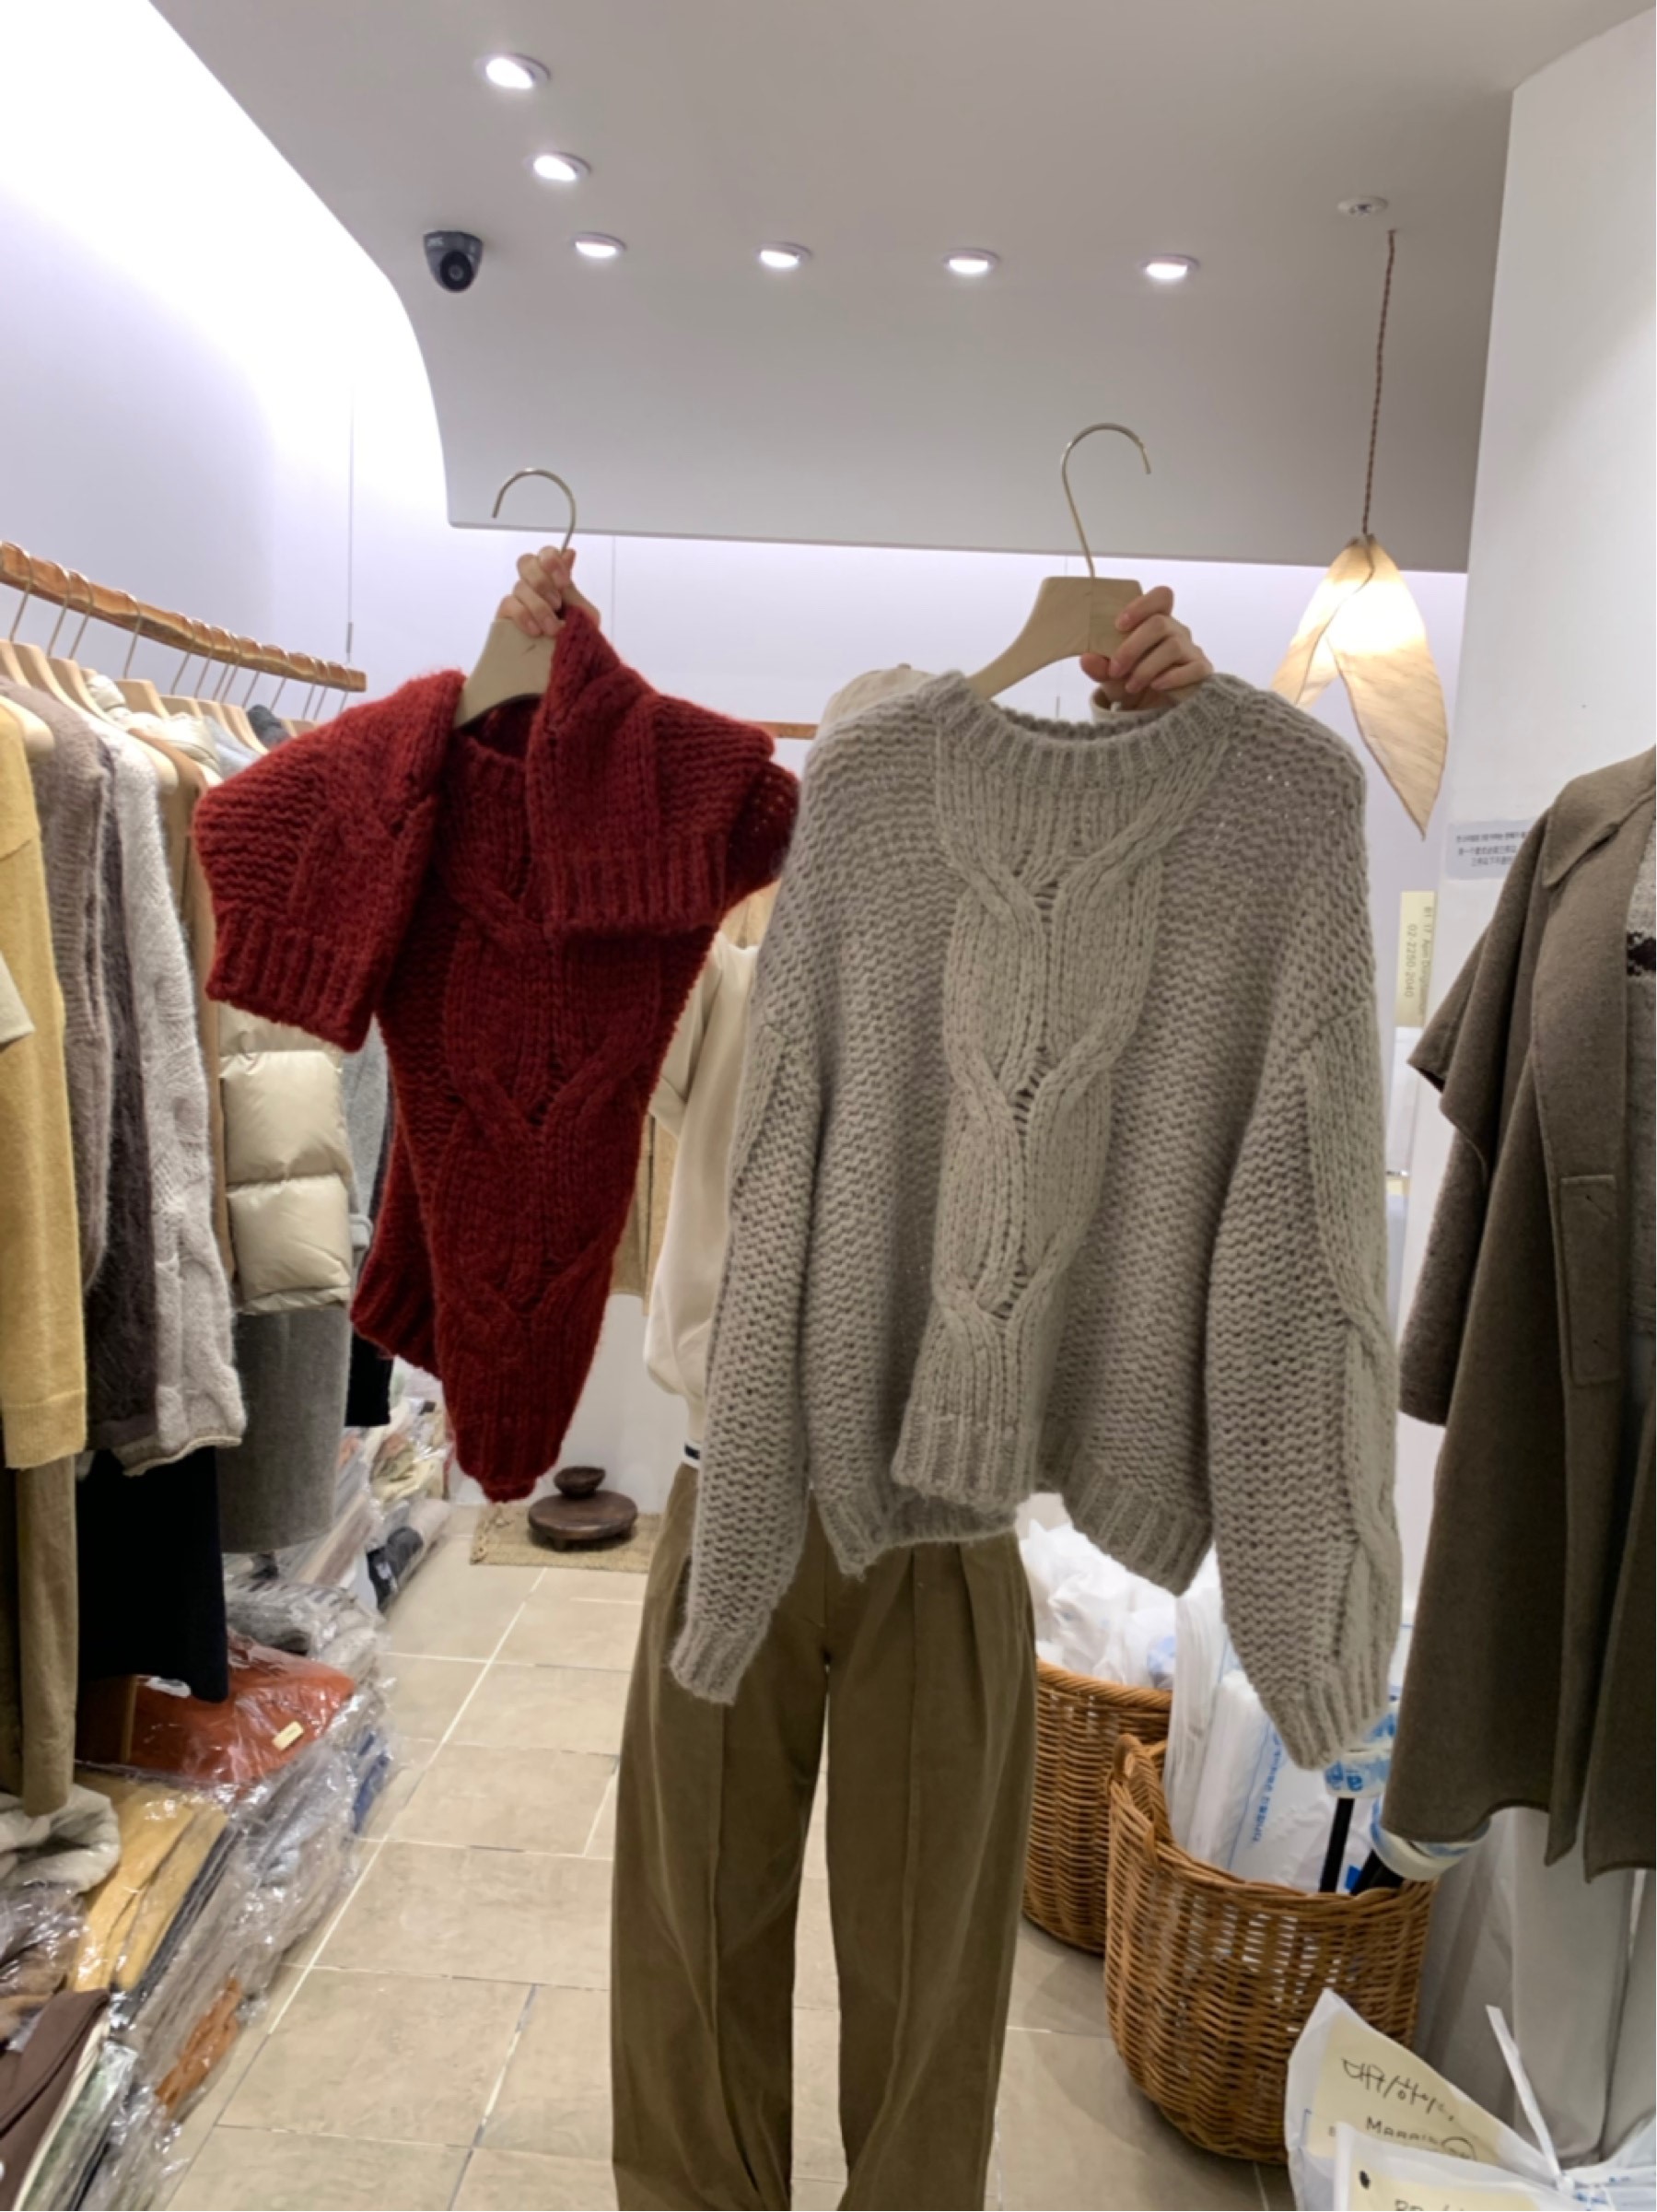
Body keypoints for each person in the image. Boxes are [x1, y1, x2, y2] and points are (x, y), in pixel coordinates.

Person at [501, 550, 1215, 2211]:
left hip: (946, 1523)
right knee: (692, 1937)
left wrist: (1170, 753)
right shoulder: (731, 981)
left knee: (926, 1969)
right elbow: (551, 967)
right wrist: (522, 702)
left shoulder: (1061, 1019)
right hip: (736, 1488)